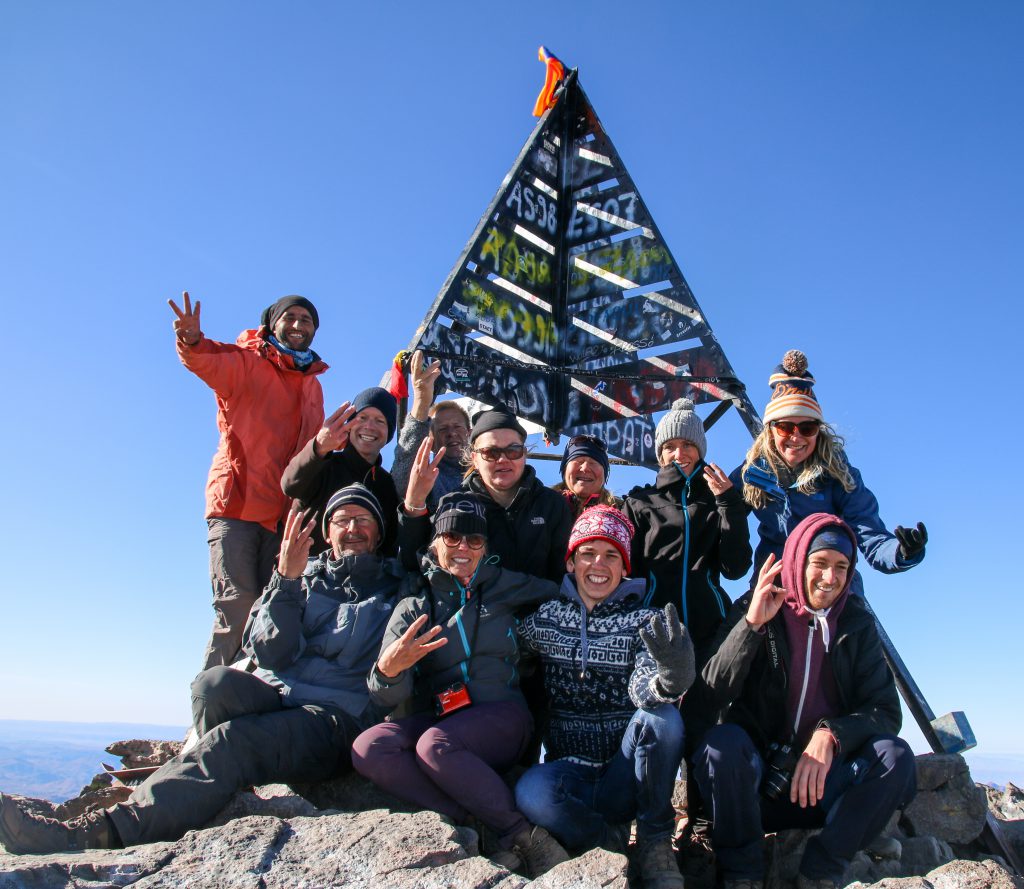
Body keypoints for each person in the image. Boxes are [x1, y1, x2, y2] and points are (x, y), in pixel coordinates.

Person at [0, 485, 410, 854]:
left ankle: (97, 834)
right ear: (327, 531)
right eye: (342, 520)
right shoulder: (301, 576)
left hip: (333, 720)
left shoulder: (395, 587)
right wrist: (286, 580)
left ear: (379, 532)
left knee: (234, 741)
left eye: (363, 519)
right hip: (279, 696)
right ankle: (215, 784)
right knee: (211, 685)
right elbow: (271, 653)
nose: (352, 528)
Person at [692, 513, 917, 889]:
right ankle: (742, 872)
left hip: (822, 788)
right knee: (720, 745)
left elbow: (885, 710)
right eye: (820, 563)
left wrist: (832, 735)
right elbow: (708, 696)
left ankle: (822, 871)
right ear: (797, 560)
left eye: (841, 567)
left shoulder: (856, 622)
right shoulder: (757, 604)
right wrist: (750, 628)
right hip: (757, 787)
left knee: (895, 756)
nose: (830, 578)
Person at [352, 493, 568, 878]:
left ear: (486, 547)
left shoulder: (507, 585)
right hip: (442, 716)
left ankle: (524, 836)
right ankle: (473, 822)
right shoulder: (417, 601)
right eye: (452, 538)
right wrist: (388, 671)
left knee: (434, 745)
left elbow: (563, 594)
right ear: (435, 543)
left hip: (503, 716)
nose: (463, 548)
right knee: (370, 748)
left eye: (474, 540)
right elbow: (383, 692)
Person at [515, 506, 694, 889]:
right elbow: (504, 652)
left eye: (612, 554)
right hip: (570, 772)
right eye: (588, 553)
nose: (599, 563)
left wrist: (668, 679)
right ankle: (604, 843)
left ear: (624, 566)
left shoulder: (643, 622)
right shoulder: (545, 619)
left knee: (663, 718)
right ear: (571, 562)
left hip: (625, 772)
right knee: (532, 792)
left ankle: (655, 840)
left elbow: (643, 686)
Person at [168, 291, 328, 669]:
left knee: (270, 610)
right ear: (272, 322)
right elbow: (207, 360)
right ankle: (208, 706)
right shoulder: (247, 362)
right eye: (290, 317)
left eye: (307, 320)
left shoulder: (313, 385)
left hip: (280, 514)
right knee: (237, 604)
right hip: (236, 504)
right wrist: (190, 340)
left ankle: (246, 704)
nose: (298, 325)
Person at [733, 350, 927, 596]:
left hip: (832, 588)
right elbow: (717, 512)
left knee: (857, 632)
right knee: (740, 630)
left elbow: (869, 534)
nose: (796, 436)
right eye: (784, 427)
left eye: (807, 427)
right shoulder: (752, 474)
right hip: (777, 587)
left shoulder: (839, 475)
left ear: (819, 432)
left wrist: (902, 552)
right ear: (770, 430)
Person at [623, 398, 752, 660]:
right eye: (670, 447)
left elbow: (735, 569)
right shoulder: (640, 503)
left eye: (687, 445)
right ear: (660, 454)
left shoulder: (719, 500)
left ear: (700, 450)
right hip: (653, 631)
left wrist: (729, 504)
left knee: (707, 699)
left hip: (710, 630)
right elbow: (627, 574)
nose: (679, 454)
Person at [399, 405, 572, 582]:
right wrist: (415, 503)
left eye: (513, 450)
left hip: (542, 606)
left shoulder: (551, 505)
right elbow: (415, 565)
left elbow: (562, 574)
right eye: (491, 452)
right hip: (475, 607)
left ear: (524, 453)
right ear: (474, 458)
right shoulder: (454, 505)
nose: (503, 459)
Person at [282, 386, 401, 556]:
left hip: (364, 579)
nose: (369, 426)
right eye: (362, 418)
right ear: (349, 426)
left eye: (380, 421)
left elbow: (388, 544)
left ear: (388, 432)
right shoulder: (323, 462)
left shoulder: (386, 483)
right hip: (306, 576)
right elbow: (290, 485)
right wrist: (318, 447)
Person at [390, 350, 471, 511]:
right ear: (431, 442)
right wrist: (421, 402)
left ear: (470, 433)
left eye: (457, 427)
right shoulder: (428, 476)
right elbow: (403, 482)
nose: (451, 433)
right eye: (442, 429)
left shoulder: (486, 473)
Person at [552, 434, 620, 520]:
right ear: (564, 469)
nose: (585, 468)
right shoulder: (542, 505)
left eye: (593, 463)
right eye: (579, 461)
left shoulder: (621, 512)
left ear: (605, 474)